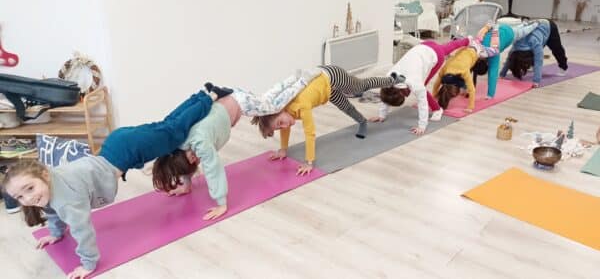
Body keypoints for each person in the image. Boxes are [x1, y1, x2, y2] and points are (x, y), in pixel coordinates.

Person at [0, 87, 225, 278]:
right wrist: (56, 234)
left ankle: (210, 97)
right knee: (167, 126)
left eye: (29, 189)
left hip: (127, 150)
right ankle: (202, 94)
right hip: (117, 145)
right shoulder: (50, 184)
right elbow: (52, 211)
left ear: (44, 176)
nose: (28, 198)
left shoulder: (66, 198)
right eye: (20, 197)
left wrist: (87, 265)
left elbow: (82, 230)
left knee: (174, 131)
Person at [152, 71, 320, 220]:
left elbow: (214, 169)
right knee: (266, 101)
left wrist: (221, 203)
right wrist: (186, 185)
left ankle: (302, 81)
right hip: (231, 100)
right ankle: (293, 78)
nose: (196, 159)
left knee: (273, 106)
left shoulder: (200, 143)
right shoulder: (179, 145)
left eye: (193, 159)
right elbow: (182, 164)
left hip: (240, 102)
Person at [251, 65, 400, 175]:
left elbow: (310, 133)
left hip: (332, 76)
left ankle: (391, 79)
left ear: (280, 110)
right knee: (345, 107)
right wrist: (283, 149)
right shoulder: (284, 110)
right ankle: (362, 122)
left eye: (280, 123)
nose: (284, 126)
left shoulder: (302, 105)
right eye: (279, 127)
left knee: (360, 87)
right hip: (326, 90)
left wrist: (309, 162)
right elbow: (285, 127)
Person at [370, 39, 470, 135]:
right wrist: (381, 115)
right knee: (448, 47)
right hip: (424, 46)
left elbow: (422, 103)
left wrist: (422, 126)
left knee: (422, 90)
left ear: (402, 92)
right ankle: (467, 40)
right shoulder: (389, 77)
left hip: (435, 56)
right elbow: (387, 94)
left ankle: (438, 110)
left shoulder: (415, 82)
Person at [500, 19, 568, 87]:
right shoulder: (516, 45)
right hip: (537, 31)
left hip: (548, 26)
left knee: (557, 49)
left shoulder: (534, 42)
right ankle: (530, 65)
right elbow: (509, 60)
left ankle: (563, 67)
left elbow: (539, 61)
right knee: (535, 51)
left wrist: (536, 81)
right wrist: (502, 75)